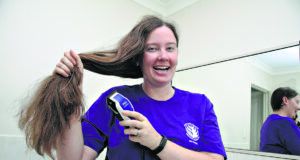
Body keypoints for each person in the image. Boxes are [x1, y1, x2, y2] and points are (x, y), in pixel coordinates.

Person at [19, 15, 227, 160]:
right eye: (152, 48)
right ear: (138, 58)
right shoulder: (113, 100)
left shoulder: (200, 105)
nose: (163, 56)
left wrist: (157, 142)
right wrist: (72, 104)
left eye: (170, 48)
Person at [260, 87, 300, 155]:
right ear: (285, 100)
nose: (299, 108)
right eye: (297, 102)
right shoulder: (285, 123)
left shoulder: (268, 121)